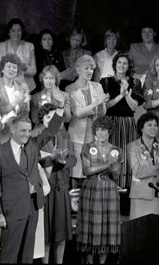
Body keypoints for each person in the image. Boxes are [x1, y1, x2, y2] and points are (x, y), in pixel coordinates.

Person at [0, 104, 65, 263]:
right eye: (23, 130)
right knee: (9, 255)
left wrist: (61, 109)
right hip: (11, 210)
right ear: (12, 130)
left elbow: (50, 130)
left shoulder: (32, 147)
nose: (27, 134)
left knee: (27, 256)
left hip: (33, 207)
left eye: (29, 130)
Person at [32, 104, 75, 264]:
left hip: (61, 186)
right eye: (48, 117)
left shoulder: (65, 135)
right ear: (42, 119)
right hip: (45, 188)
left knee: (61, 234)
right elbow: (32, 161)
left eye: (54, 117)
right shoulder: (36, 137)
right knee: (47, 234)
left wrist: (62, 161)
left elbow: (73, 159)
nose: (51, 121)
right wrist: (52, 159)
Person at [76, 116, 122, 264]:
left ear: (110, 131)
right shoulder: (87, 147)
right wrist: (107, 165)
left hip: (109, 190)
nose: (101, 133)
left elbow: (116, 175)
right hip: (91, 189)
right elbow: (87, 170)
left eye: (104, 130)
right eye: (98, 130)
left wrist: (114, 169)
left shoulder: (117, 150)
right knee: (91, 229)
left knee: (107, 229)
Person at [100, 53, 144, 187]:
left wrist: (126, 94)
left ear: (129, 66)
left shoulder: (135, 82)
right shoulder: (106, 82)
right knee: (111, 155)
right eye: (119, 62)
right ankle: (110, 186)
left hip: (127, 123)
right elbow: (105, 106)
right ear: (115, 64)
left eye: (125, 63)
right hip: (110, 122)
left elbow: (134, 106)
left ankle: (126, 188)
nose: (122, 66)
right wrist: (120, 95)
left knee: (126, 155)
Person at [66, 55, 108, 189]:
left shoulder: (97, 86)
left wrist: (100, 106)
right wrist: (96, 104)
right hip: (76, 135)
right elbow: (78, 113)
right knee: (76, 172)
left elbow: (102, 112)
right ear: (78, 70)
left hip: (94, 135)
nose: (90, 71)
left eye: (91, 68)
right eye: (86, 68)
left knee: (92, 170)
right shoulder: (70, 88)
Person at [128, 112, 159, 220]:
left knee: (157, 231)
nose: (153, 128)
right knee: (139, 231)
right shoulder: (132, 146)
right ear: (141, 128)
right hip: (140, 196)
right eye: (149, 125)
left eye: (155, 125)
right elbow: (137, 171)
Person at [0, 53, 30, 145]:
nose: (12, 69)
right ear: (2, 69)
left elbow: (26, 113)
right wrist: (14, 103)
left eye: (14, 67)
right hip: (2, 134)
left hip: (18, 134)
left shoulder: (22, 87)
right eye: (9, 67)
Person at [0, 18, 37, 92]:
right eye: (13, 30)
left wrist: (24, 67)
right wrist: (10, 71)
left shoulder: (29, 46)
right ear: (8, 32)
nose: (16, 34)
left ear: (22, 31)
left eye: (19, 30)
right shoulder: (1, 46)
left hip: (26, 88)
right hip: (5, 88)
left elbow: (33, 70)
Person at [143, 55, 159, 139]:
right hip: (154, 122)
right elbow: (146, 104)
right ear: (154, 68)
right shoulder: (150, 81)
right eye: (157, 65)